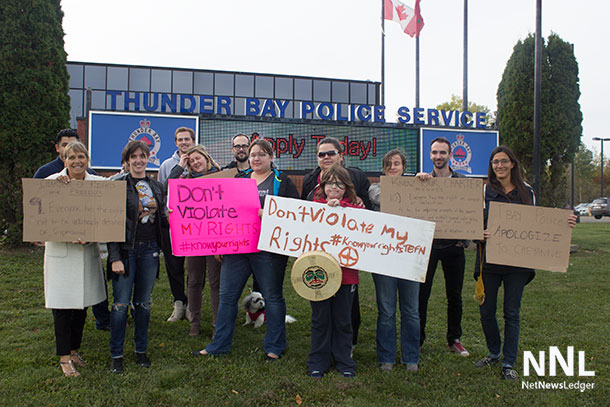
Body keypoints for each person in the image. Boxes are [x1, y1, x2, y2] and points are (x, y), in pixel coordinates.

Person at [474, 145, 577, 380]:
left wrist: (565, 222)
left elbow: (537, 223)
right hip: (488, 261)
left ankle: (508, 361)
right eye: (494, 162)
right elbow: (473, 223)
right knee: (486, 311)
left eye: (503, 161)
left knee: (512, 312)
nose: (499, 166)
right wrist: (479, 233)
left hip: (517, 263)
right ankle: (494, 352)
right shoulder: (484, 191)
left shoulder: (526, 191)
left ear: (512, 164)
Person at [191, 139, 299, 359]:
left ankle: (275, 347)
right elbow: (221, 212)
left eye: (261, 154)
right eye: (253, 155)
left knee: (273, 296)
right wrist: (219, 243)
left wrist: (270, 213)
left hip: (268, 249)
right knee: (227, 297)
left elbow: (293, 213)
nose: (256, 158)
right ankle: (218, 345)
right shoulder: (238, 179)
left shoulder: (282, 181)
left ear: (271, 157)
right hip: (237, 248)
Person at [301, 137, 370, 354]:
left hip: (347, 258)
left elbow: (368, 207)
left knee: (347, 305)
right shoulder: (309, 179)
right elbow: (303, 215)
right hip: (321, 255)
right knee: (321, 302)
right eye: (321, 154)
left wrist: (354, 204)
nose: (326, 157)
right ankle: (323, 348)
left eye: (331, 153)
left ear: (341, 156)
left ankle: (348, 344)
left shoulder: (357, 175)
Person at [43, 141, 107, 377]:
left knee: (82, 305)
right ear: (64, 160)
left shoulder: (100, 185)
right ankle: (63, 358)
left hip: (85, 253)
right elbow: (42, 217)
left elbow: (105, 217)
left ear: (87, 160)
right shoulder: (52, 183)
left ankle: (73, 350)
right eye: (71, 157)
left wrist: (92, 237)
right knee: (62, 307)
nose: (77, 161)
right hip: (61, 255)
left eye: (81, 156)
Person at [107, 140, 167, 374]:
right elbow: (111, 224)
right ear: (127, 161)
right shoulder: (118, 185)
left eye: (143, 156)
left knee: (143, 304)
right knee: (121, 305)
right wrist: (115, 257)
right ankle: (116, 354)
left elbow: (162, 220)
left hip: (150, 250)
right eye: (134, 157)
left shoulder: (157, 186)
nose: (139, 160)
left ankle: (140, 351)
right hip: (125, 252)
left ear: (148, 158)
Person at [415, 137, 470, 356]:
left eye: (443, 152)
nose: (438, 156)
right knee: (421, 295)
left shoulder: (462, 182)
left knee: (454, 295)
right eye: (435, 152)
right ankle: (417, 339)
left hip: (454, 247)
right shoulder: (423, 181)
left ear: (449, 155)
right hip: (428, 247)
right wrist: (416, 181)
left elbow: (470, 214)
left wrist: (464, 239)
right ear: (430, 155)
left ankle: (454, 338)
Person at [308, 163, 363, 379]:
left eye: (340, 184)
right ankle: (318, 360)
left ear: (347, 187)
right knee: (320, 319)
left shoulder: (358, 210)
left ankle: (344, 360)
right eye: (330, 183)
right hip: (318, 274)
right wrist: (326, 209)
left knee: (343, 319)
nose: (334, 188)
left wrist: (343, 209)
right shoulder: (312, 208)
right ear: (323, 185)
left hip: (347, 275)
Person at [368, 150, 420, 372]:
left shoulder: (418, 187)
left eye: (397, 163)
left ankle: (411, 358)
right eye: (389, 164)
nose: (392, 167)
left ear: (403, 166)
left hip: (411, 256)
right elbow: (383, 198)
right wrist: (414, 188)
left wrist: (421, 184)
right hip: (384, 257)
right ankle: (386, 357)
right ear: (383, 167)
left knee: (411, 310)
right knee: (387, 310)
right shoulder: (375, 189)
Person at [166, 145, 222, 337]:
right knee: (194, 281)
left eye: (199, 158)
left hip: (217, 238)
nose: (196, 162)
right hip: (194, 237)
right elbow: (167, 187)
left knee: (216, 282)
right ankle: (195, 324)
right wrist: (180, 166)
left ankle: (217, 325)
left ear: (207, 158)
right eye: (191, 160)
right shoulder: (185, 181)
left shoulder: (222, 177)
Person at [158, 127, 195, 323]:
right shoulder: (166, 165)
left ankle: (191, 305)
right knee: (174, 265)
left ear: (193, 140)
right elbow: (161, 190)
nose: (183, 143)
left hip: (194, 224)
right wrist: (179, 167)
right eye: (180, 140)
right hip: (171, 223)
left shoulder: (199, 161)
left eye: (187, 139)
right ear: (175, 143)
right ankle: (179, 302)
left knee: (194, 268)